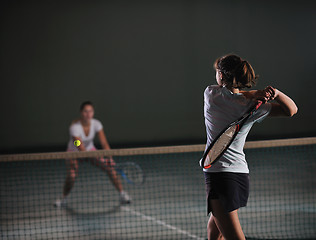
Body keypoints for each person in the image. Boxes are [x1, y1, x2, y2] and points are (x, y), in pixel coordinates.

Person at [203, 54, 298, 240]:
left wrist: (255, 94)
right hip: (239, 176)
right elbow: (292, 110)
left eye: (217, 71)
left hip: (220, 177)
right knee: (214, 233)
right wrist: (274, 93)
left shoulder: (211, 95)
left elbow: (232, 94)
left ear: (221, 75)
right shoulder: (252, 106)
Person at [55, 101, 131, 207]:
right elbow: (78, 144)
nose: (88, 114)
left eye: (90, 111)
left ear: (93, 113)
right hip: (74, 152)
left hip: (90, 149)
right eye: (85, 111)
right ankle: (63, 198)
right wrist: (98, 158)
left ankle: (122, 194)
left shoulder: (97, 124)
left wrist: (109, 157)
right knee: (71, 175)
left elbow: (104, 142)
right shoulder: (74, 128)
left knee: (110, 169)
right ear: (81, 113)